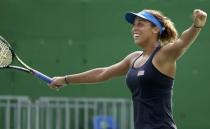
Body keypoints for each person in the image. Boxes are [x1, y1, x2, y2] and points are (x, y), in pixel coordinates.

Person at [49, 9, 207, 129]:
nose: (134, 29)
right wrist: (65, 79)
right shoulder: (133, 58)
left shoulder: (164, 55)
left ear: (156, 29)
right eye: (134, 25)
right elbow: (102, 73)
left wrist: (197, 25)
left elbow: (182, 42)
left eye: (140, 24)